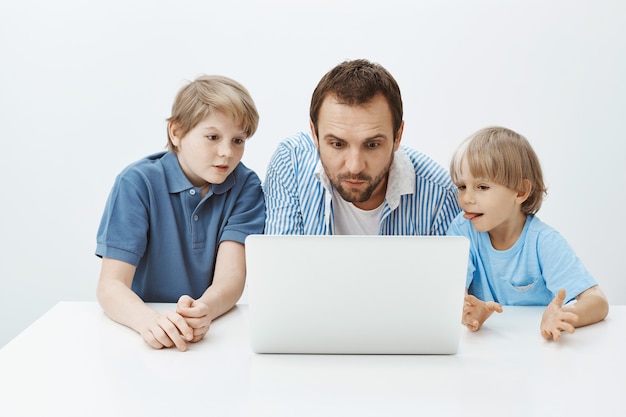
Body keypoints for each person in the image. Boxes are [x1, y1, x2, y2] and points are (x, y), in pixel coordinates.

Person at [95, 75, 265, 351]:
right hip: (140, 330)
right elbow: (111, 285)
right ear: (176, 132)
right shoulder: (137, 183)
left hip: (210, 332)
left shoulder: (246, 186)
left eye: (238, 140)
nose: (226, 153)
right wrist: (148, 322)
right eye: (212, 137)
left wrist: (204, 310)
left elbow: (230, 278)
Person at [264, 59, 460, 236]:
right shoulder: (291, 163)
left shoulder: (439, 196)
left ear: (397, 136)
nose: (354, 167)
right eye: (338, 144)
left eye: (372, 145)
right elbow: (281, 271)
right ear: (314, 134)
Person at [447, 126, 609, 341]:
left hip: (536, 347)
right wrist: (466, 309)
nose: (467, 198)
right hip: (485, 348)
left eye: (482, 187)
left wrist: (563, 316)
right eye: (462, 186)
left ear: (521, 191)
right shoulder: (462, 231)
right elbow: (450, 292)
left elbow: (598, 302)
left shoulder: (543, 241)